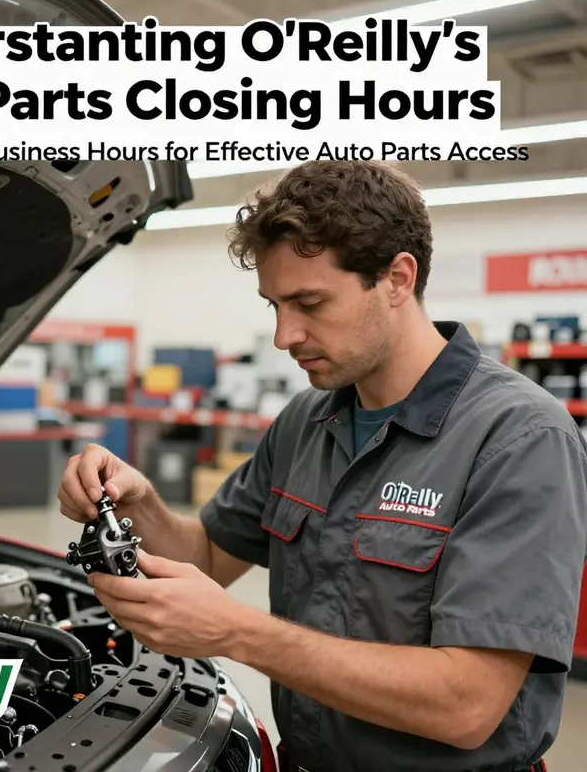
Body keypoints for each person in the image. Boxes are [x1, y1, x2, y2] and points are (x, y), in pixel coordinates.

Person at [57, 160, 587, 772]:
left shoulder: (519, 438)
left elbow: (467, 705)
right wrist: (140, 502)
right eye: (275, 305)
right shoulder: (306, 421)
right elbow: (206, 557)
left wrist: (237, 632)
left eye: (309, 303)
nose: (284, 336)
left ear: (397, 278)